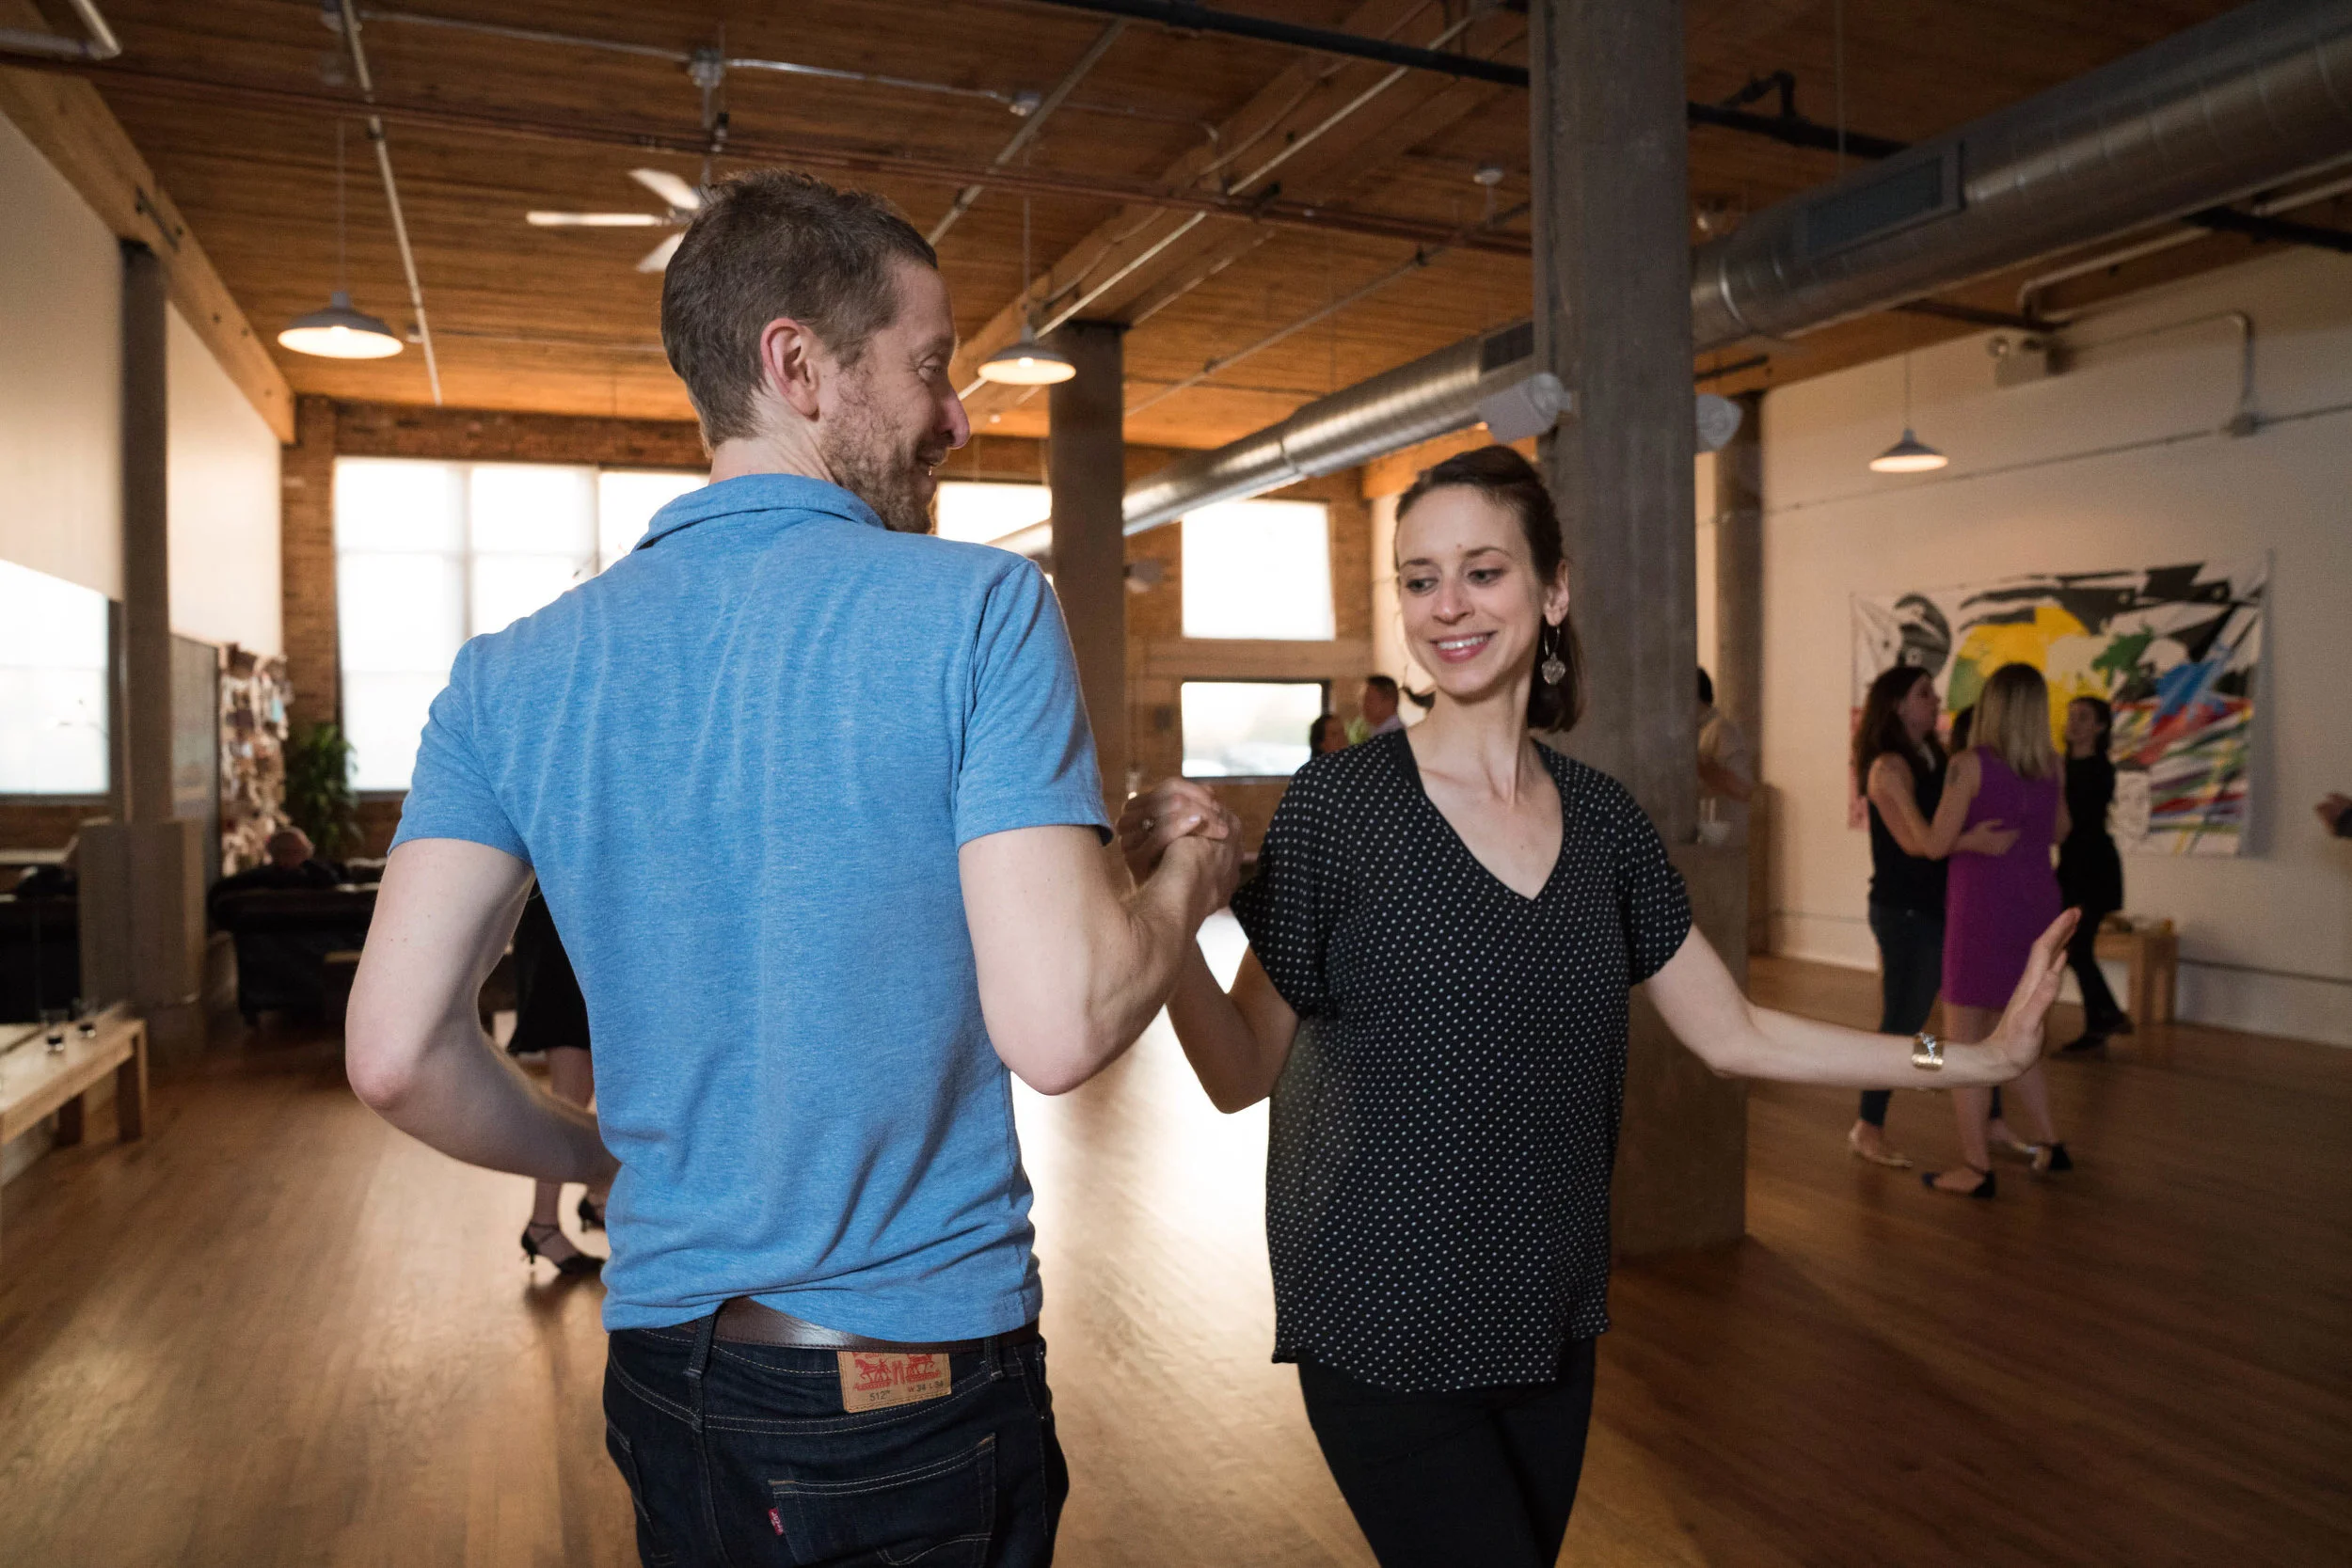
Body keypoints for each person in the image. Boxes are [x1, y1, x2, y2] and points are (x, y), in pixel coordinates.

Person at [344, 169, 1241, 1568]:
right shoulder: (983, 607)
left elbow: (395, 1052)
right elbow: (1060, 1026)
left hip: (666, 1376)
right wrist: (1187, 875)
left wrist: (600, 1152)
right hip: (911, 1382)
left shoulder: (506, 674)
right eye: (931, 366)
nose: (955, 414)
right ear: (797, 366)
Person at [1119, 446, 2073, 1568]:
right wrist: (1165, 919)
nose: (1448, 607)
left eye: (1483, 570)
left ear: (1553, 590)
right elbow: (1238, 1072)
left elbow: (1737, 1032)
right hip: (1378, 1309)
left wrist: (1968, 1059)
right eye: (1419, 579)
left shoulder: (1608, 826)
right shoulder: (1341, 804)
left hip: (1549, 1308)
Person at [1912, 662, 2075, 1196]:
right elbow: (2060, 830)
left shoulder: (1967, 764)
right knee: (2020, 1030)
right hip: (2035, 905)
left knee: (1959, 1040)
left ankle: (1975, 1167)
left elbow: (1935, 844)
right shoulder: (2052, 763)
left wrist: (1972, 841)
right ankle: (2051, 1143)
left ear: (1992, 707)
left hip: (1982, 906)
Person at [1846, 665, 2016, 1167]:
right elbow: (1917, 841)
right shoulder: (1887, 768)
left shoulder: (1932, 757)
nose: (1936, 700)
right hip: (1905, 911)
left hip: (1939, 906)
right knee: (1904, 1018)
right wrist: (1974, 841)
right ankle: (1867, 1126)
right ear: (1897, 704)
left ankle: (1987, 1114)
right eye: (1924, 693)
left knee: (1963, 1011)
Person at [509, 883, 607, 1278]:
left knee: (587, 1077)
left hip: (573, 918)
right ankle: (543, 1224)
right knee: (572, 1087)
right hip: (564, 924)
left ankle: (596, 1196)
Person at [2057, 696, 2130, 1053]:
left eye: (2083, 718)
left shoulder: (2099, 770)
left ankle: (2104, 1019)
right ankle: (2105, 1017)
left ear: (2100, 727)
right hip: (2073, 866)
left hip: (2093, 868)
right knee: (2076, 948)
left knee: (2077, 947)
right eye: (2072, 717)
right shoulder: (2064, 766)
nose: (2074, 724)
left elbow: (2078, 822)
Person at [1694, 666, 1754, 806]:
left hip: (1722, 825)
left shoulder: (1721, 730)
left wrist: (1699, 765)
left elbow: (1744, 790)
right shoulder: (1693, 731)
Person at [1346, 673, 1406, 743]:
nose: (1363, 705)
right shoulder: (1378, 733)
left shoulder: (1395, 737)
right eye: (1361, 699)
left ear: (1389, 702)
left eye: (1369, 699)